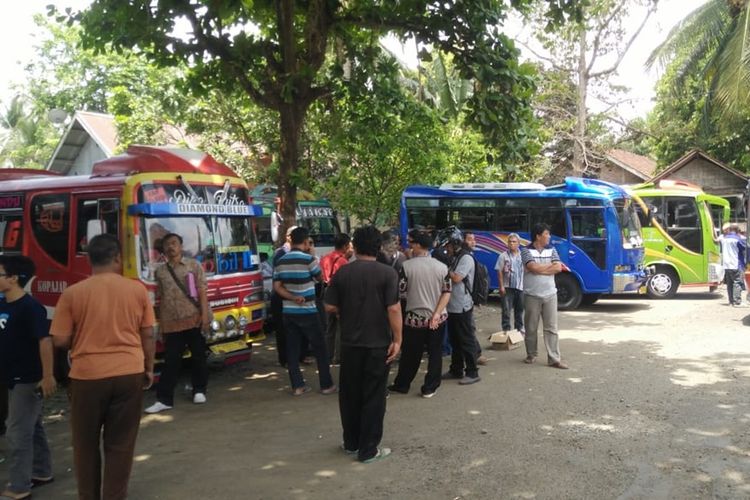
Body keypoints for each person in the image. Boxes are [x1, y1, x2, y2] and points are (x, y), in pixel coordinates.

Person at [50, 234, 156, 500]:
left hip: (87, 377)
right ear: (118, 258)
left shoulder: (73, 293)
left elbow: (60, 339)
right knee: (120, 444)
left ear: (89, 260)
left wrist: (83, 335)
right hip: (129, 372)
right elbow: (148, 334)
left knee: (85, 445)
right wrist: (149, 367)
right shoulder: (136, 290)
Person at [324, 225, 402, 462]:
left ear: (354, 247)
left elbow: (329, 306)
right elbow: (394, 308)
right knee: (374, 396)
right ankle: (369, 449)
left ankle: (351, 442)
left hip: (350, 344)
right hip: (378, 344)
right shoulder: (388, 273)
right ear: (378, 248)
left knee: (350, 394)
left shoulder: (343, 273)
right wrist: (398, 339)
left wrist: (346, 311)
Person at [0, 255, 55, 500]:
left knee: (16, 431)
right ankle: (42, 471)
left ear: (13, 279)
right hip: (10, 376)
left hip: (28, 377)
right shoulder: (3, 304)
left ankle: (19, 486)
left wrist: (48, 375)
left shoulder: (31, 307)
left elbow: (45, 341)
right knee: (32, 425)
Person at [145, 232, 210, 414]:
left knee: (198, 356)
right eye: (167, 244)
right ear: (163, 249)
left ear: (181, 246)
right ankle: (164, 399)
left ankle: (199, 390)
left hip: (194, 318)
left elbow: (202, 291)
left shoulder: (193, 266)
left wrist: (204, 316)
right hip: (171, 323)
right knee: (171, 361)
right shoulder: (160, 271)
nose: (171, 247)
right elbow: (159, 297)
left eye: (174, 243)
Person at [273, 227, 337, 396]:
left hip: (288, 311)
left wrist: (292, 297)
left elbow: (277, 287)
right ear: (305, 241)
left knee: (292, 350)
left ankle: (297, 386)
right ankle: (326, 384)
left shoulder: (281, 261)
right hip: (308, 310)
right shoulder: (309, 260)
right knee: (320, 349)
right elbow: (320, 278)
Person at [388, 229, 451, 398]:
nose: (409, 247)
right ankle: (430, 387)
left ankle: (402, 384)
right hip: (438, 319)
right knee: (435, 353)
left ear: (417, 245)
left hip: (414, 319)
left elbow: (401, 294)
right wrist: (437, 313)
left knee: (410, 354)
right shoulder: (442, 267)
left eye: (411, 243)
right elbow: (447, 292)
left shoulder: (406, 267)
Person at [521, 223, 568, 369]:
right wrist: (549, 267)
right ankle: (531, 354)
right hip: (532, 294)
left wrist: (539, 269)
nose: (549, 236)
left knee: (552, 328)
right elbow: (532, 267)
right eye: (546, 234)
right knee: (531, 327)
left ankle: (554, 358)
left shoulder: (552, 249)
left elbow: (558, 267)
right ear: (538, 236)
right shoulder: (525, 251)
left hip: (550, 294)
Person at [442, 228, 481, 385]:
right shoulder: (455, 257)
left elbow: (457, 278)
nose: (447, 249)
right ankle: (456, 369)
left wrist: (443, 267)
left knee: (466, 339)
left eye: (448, 246)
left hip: (462, 305)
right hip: (452, 305)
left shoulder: (466, 258)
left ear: (456, 243)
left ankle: (472, 372)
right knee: (455, 340)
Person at [320, 233, 352, 364]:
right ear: (344, 246)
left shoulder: (325, 258)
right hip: (339, 295)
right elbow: (344, 282)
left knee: (329, 328)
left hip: (327, 293)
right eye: (349, 245)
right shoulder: (343, 261)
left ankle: (327, 355)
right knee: (341, 327)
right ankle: (338, 357)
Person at [270, 225, 298, 367]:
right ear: (288, 237)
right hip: (281, 295)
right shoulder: (280, 253)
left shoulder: (299, 252)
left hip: (294, 296)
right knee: (282, 329)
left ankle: (297, 356)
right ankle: (285, 359)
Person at [462, 231, 488, 366]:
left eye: (474, 239)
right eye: (470, 239)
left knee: (469, 327)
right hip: (464, 300)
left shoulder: (468, 257)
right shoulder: (464, 257)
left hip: (468, 300)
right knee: (468, 328)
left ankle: (475, 355)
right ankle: (474, 354)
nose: (473, 242)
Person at [495, 232, 525, 335]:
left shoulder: (523, 256)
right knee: (506, 310)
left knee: (519, 310)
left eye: (514, 242)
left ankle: (519, 328)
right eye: (510, 242)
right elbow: (499, 271)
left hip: (520, 287)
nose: (512, 244)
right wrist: (501, 286)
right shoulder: (503, 256)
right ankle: (506, 329)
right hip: (507, 287)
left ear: (518, 243)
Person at [719, 223, 746, 306]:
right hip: (735, 264)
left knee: (730, 284)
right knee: (737, 282)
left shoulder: (724, 239)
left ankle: (731, 301)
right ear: (737, 230)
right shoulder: (737, 239)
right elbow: (744, 248)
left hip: (726, 265)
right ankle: (737, 301)